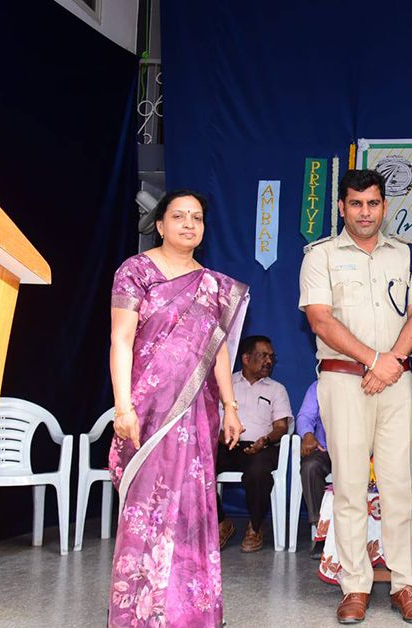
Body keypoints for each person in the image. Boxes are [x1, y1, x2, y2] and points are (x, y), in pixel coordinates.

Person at [108, 190, 249, 627]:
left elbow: (219, 351)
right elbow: (121, 340)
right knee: (146, 510)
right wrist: (123, 407)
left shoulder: (213, 286)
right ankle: (139, 614)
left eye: (197, 218)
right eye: (179, 216)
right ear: (160, 224)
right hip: (147, 415)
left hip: (196, 414)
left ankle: (190, 613)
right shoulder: (135, 271)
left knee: (192, 509)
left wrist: (230, 405)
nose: (189, 224)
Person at [299, 169, 412, 624]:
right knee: (351, 488)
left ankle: (405, 584)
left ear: (384, 206)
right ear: (341, 207)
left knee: (398, 486)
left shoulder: (406, 254)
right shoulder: (320, 255)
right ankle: (355, 586)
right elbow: (320, 319)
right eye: (355, 204)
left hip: (395, 381)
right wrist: (376, 360)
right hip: (343, 381)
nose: (365, 212)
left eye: (373, 203)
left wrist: (390, 362)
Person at [216, 335, 292, 552]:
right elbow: (211, 419)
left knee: (259, 471)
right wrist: (221, 437)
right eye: (263, 356)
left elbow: (281, 426)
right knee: (198, 467)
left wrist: (265, 440)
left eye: (271, 357)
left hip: (261, 447)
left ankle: (256, 527)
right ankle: (222, 522)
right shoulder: (226, 384)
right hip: (226, 445)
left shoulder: (276, 389)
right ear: (246, 359)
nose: (268, 361)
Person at [295, 379, 332, 559]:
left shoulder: (366, 382)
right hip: (326, 449)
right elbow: (305, 416)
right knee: (310, 466)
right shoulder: (319, 386)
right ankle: (322, 533)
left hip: (358, 449)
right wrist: (308, 435)